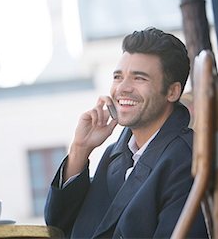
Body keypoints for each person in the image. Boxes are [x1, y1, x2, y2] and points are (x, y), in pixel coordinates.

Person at [44, 27, 208, 238]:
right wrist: (80, 150)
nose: (123, 88)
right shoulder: (115, 153)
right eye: (118, 77)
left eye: (139, 78)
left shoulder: (186, 160)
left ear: (172, 91)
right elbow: (58, 227)